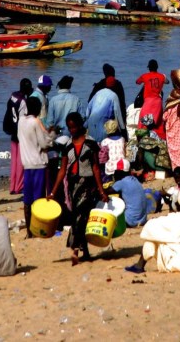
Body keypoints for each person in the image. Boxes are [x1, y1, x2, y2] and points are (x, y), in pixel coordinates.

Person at [48, 112, 108, 265]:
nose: (72, 130)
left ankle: (75, 249)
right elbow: (62, 170)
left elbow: (96, 168)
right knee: (80, 216)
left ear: (80, 125)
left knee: (80, 217)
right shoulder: (67, 146)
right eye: (70, 128)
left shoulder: (91, 144)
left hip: (88, 185)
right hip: (73, 186)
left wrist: (101, 190)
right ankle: (85, 251)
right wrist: (53, 192)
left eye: (74, 127)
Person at [18, 94, 54, 236]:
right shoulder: (35, 122)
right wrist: (52, 134)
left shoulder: (21, 121)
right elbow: (44, 143)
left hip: (27, 164)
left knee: (27, 200)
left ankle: (29, 231)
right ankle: (37, 229)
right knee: (38, 199)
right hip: (39, 164)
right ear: (38, 109)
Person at [3, 79, 31, 194]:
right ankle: (19, 186)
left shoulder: (13, 96)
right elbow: (23, 118)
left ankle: (12, 186)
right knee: (20, 160)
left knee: (14, 161)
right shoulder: (23, 101)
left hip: (12, 130)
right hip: (20, 132)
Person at [112, 160, 157, 227]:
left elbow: (105, 192)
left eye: (115, 172)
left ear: (119, 172)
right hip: (143, 220)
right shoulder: (135, 180)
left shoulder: (122, 183)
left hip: (130, 221)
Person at [136, 59, 167, 138]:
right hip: (158, 102)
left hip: (148, 102)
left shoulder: (145, 76)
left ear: (149, 68)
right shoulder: (161, 76)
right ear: (157, 67)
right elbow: (167, 82)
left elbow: (137, 82)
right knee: (158, 123)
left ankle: (142, 138)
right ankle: (159, 138)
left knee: (143, 121)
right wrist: (163, 76)